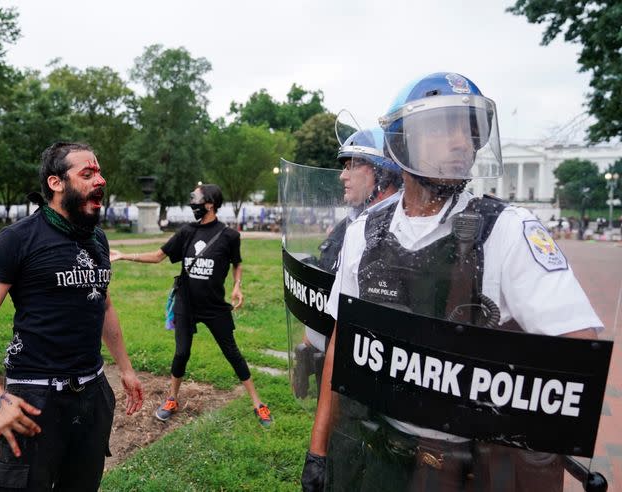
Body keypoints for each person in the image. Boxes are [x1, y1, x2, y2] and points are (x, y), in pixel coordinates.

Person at [302, 72, 603, 491]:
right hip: (378, 454)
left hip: (466, 471)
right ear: (402, 141)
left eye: (468, 130)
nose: (462, 142)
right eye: (445, 128)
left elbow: (574, 360)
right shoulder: (365, 233)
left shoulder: (508, 231)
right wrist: (317, 451)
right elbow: (342, 339)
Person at [0, 142, 144, 491]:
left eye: (100, 172)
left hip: (93, 393)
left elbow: (103, 305)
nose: (100, 180)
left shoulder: (98, 240)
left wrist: (125, 368)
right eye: (87, 174)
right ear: (56, 183)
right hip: (34, 400)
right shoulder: (17, 240)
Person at [110, 184, 273, 427]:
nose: (191, 202)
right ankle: (172, 399)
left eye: (195, 198)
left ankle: (257, 403)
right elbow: (158, 256)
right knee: (181, 353)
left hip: (215, 306)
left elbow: (236, 263)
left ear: (209, 204)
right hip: (186, 303)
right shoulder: (187, 232)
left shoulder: (229, 236)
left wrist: (237, 285)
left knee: (232, 353)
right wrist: (124, 256)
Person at [293, 128, 403, 398]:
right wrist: (308, 345)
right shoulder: (347, 226)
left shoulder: (401, 231)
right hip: (331, 368)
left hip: (371, 382)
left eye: (352, 165)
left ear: (382, 171)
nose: (342, 175)